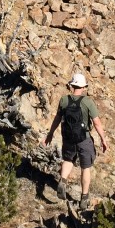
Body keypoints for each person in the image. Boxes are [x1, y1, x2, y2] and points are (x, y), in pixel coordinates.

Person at [44, 72, 108, 211]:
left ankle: (63, 180)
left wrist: (50, 134)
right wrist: (103, 139)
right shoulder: (88, 102)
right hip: (83, 139)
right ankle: (84, 198)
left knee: (68, 160)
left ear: (71, 85)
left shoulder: (64, 100)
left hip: (68, 137)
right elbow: (96, 123)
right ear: (84, 87)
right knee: (85, 168)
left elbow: (57, 119)